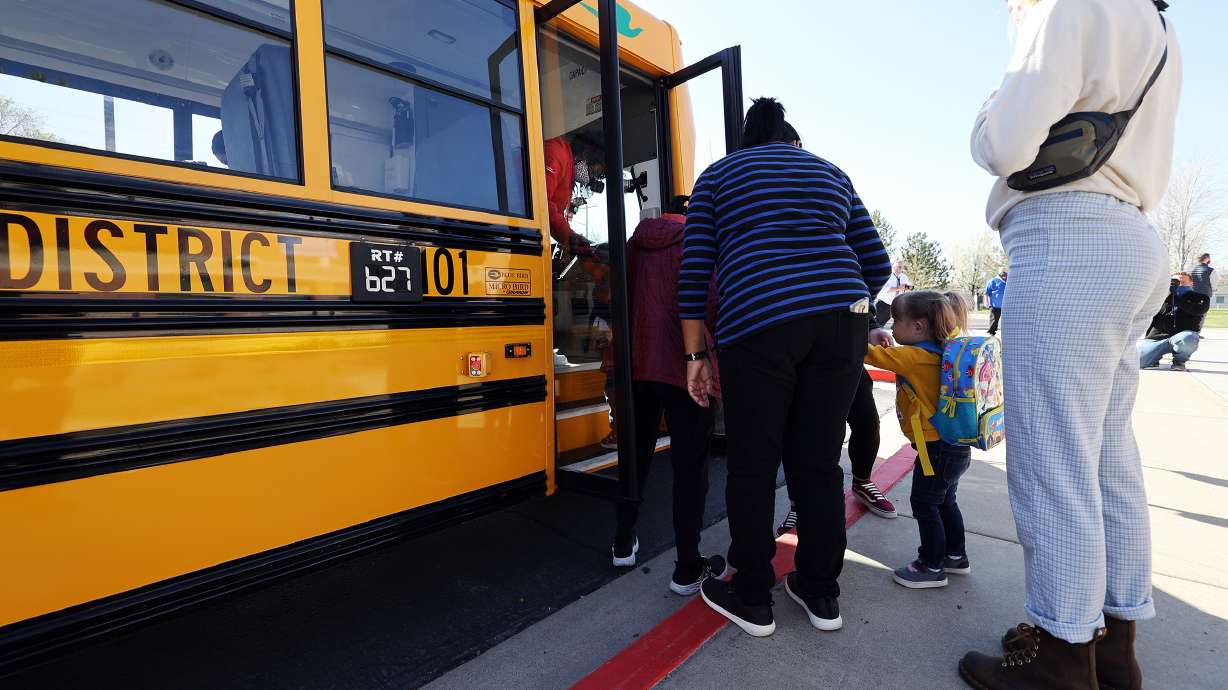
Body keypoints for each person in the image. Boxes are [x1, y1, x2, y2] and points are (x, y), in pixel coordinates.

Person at [963, 0, 1182, 687]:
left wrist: (989, 105)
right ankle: (1113, 650)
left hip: (1068, 237)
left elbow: (1004, 144)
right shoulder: (1160, 25)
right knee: (1110, 461)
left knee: (1054, 462)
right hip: (1133, 236)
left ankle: (1062, 658)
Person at [680, 98, 890, 637]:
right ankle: (820, 593)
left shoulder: (719, 176)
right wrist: (839, 305)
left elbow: (696, 269)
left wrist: (696, 356)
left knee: (753, 463)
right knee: (818, 463)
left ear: (745, 141)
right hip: (841, 321)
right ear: (787, 139)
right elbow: (878, 262)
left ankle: (752, 593)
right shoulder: (829, 171)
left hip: (759, 322)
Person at [609, 196, 728, 595]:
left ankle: (623, 542)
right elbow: (711, 302)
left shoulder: (636, 243)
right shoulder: (697, 240)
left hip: (637, 362)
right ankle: (688, 567)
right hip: (684, 368)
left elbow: (619, 297)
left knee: (635, 455)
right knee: (690, 468)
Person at [864, 292, 972, 589]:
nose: (891, 325)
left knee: (924, 503)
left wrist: (870, 335)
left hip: (935, 449)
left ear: (919, 327)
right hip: (955, 444)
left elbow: (866, 354)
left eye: (896, 320)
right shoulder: (943, 350)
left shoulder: (915, 357)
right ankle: (955, 555)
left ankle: (931, 565)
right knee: (946, 500)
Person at [544, 136, 606, 252]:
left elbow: (553, 214)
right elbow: (542, 204)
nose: (590, 178)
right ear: (587, 156)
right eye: (593, 172)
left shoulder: (569, 173)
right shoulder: (557, 154)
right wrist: (570, 238)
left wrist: (573, 240)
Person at [1138, 273, 1209, 371]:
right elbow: (1145, 312)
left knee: (1189, 338)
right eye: (1175, 282)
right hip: (1156, 338)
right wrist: (1162, 296)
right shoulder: (1159, 297)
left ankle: (1179, 361)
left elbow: (1199, 310)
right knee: (1140, 362)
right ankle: (1154, 359)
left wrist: (1175, 299)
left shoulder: (1201, 297)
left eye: (1183, 282)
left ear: (1191, 283)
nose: (1179, 285)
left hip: (1182, 337)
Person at [875, 262, 913, 327]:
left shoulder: (904, 277)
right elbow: (884, 290)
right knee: (878, 321)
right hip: (884, 303)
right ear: (893, 267)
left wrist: (909, 288)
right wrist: (898, 288)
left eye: (901, 267)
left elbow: (910, 287)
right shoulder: (887, 275)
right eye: (898, 266)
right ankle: (868, 335)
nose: (900, 268)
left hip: (896, 303)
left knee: (888, 321)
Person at [984, 269, 1008, 336]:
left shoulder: (1008, 281)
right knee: (994, 320)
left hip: (1006, 306)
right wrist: (986, 302)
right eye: (1003, 273)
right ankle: (991, 334)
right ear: (1000, 273)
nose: (1005, 275)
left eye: (1006, 273)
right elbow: (986, 292)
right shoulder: (993, 281)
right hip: (995, 305)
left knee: (1007, 321)